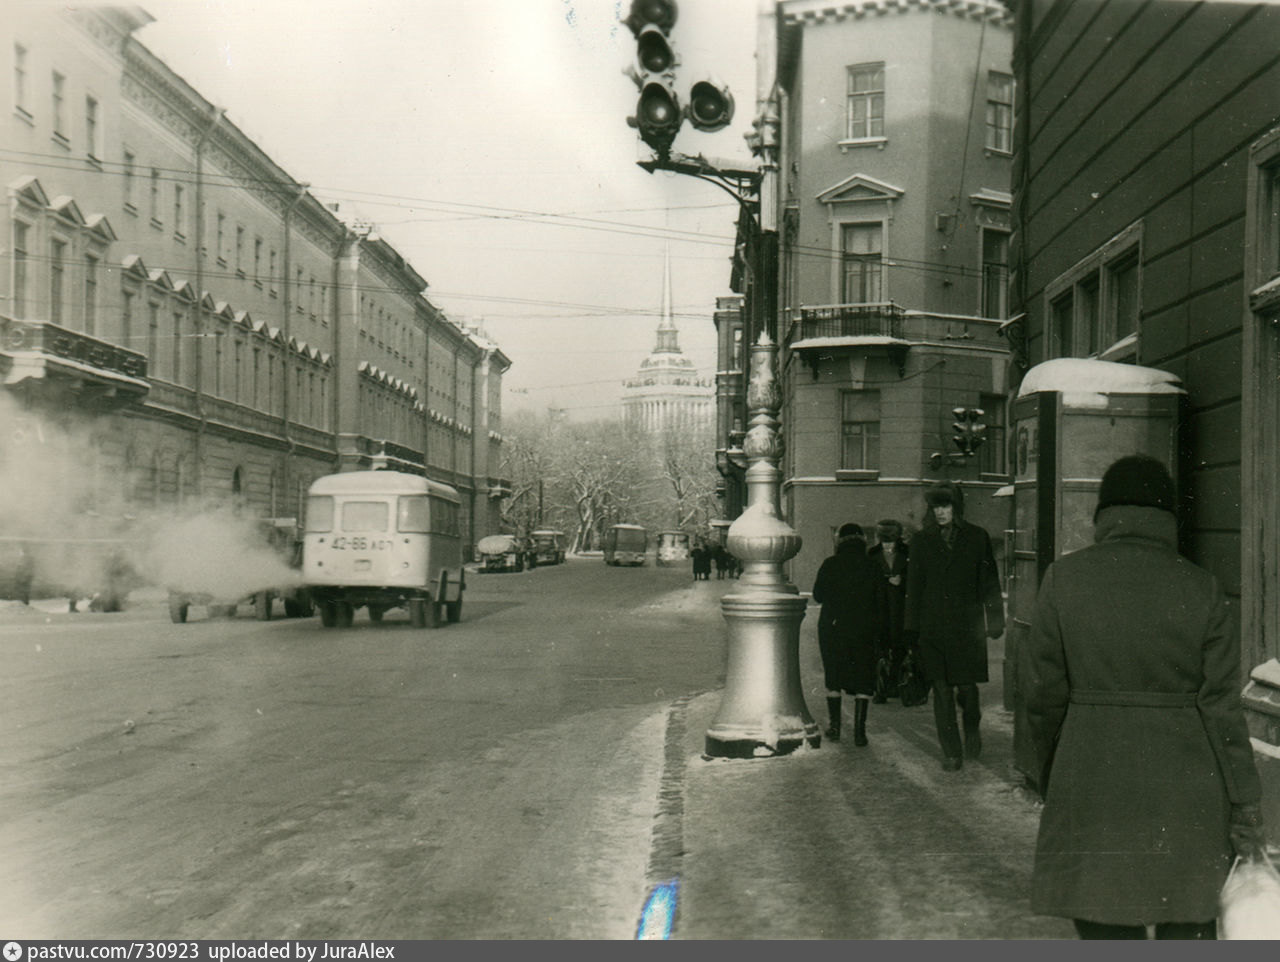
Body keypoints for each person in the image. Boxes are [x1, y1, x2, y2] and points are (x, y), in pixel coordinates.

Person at [1022, 454, 1265, 940]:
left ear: (1103, 514)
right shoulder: (1201, 587)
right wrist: (1245, 801)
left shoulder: (1062, 580)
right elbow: (1221, 709)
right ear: (1168, 517)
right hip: (1188, 796)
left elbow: (1042, 695)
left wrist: (1044, 770)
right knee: (1186, 925)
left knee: (1104, 924)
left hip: (1091, 781)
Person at [903, 481, 1004, 770]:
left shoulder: (977, 537)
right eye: (935, 507)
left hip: (967, 628)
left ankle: (971, 727)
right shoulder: (922, 542)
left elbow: (989, 583)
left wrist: (995, 619)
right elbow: (914, 587)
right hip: (932, 627)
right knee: (942, 690)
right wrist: (911, 629)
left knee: (967, 691)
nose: (940, 513)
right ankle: (952, 752)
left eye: (945, 506)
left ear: (956, 508)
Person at [811, 523, 881, 745]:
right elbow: (881, 601)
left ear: (840, 541)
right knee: (863, 678)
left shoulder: (830, 564)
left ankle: (835, 728)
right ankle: (860, 734)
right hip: (864, 628)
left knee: (834, 678)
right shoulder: (873, 565)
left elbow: (818, 595)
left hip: (833, 628)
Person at [868, 519, 908, 703]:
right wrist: (886, 582)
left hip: (902, 610)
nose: (888, 546)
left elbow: (918, 578)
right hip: (879, 610)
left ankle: (896, 685)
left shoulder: (908, 553)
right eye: (885, 542)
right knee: (879, 650)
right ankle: (880, 689)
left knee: (900, 648)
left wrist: (903, 581)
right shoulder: (871, 555)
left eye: (891, 542)